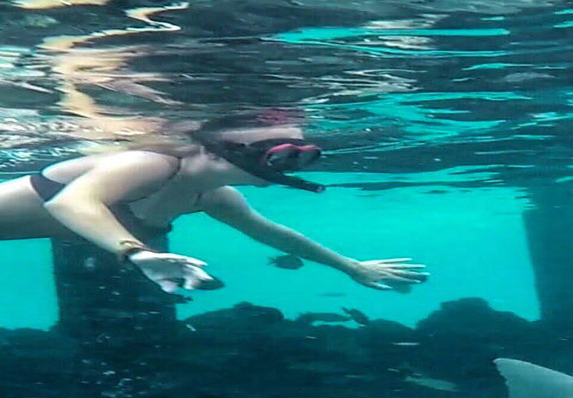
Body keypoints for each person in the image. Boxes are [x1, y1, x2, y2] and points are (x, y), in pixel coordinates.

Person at [0, 114, 426, 293]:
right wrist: (136, 252)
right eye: (278, 153)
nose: (290, 164)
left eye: (300, 154)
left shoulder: (214, 196)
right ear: (218, 150)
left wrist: (353, 267)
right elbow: (71, 204)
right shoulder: (149, 164)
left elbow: (276, 234)